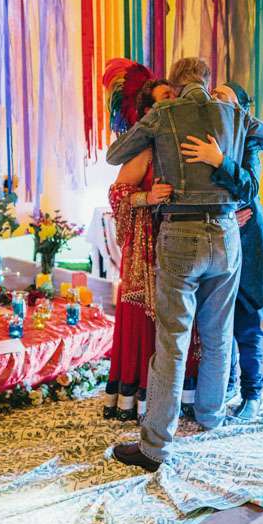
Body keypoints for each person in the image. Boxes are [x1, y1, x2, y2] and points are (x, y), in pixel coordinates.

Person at [106, 57, 263, 471]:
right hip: (226, 233)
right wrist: (233, 127)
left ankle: (155, 447)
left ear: (175, 85)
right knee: (218, 334)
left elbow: (116, 155)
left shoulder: (165, 113)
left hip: (181, 234)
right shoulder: (232, 114)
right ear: (206, 80)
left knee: (172, 341)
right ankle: (210, 417)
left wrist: (154, 126)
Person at [180, 81, 263, 421]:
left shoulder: (248, 140)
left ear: (239, 108)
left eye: (223, 97)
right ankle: (228, 386)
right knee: (219, 327)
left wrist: (220, 160)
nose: (214, 100)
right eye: (213, 95)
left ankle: (253, 395)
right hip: (215, 250)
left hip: (251, 252)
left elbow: (249, 188)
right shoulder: (201, 139)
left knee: (248, 329)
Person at [102, 61, 198, 420]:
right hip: (147, 251)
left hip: (185, 245)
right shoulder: (146, 148)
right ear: (148, 113)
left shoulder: (187, 142)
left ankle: (183, 395)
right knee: (147, 320)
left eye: (174, 95)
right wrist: (148, 197)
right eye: (164, 99)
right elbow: (117, 193)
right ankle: (141, 399)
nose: (172, 102)